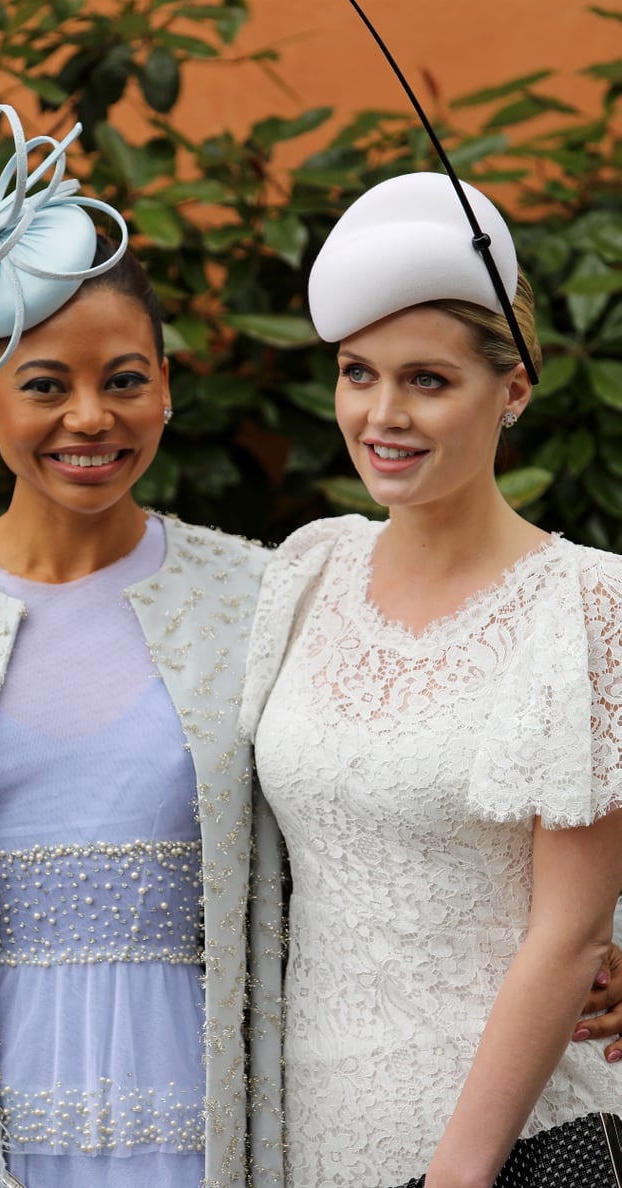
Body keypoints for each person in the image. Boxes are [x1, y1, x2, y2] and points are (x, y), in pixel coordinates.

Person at [0, 105, 284, 1188]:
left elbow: (370, 811)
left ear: (168, 389)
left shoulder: (265, 595)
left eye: (125, 379)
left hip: (210, 1113)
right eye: (47, 385)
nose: (91, 417)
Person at [240, 171, 622, 1188]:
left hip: (513, 1139)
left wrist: (458, 1178)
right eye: (358, 373)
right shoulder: (308, 568)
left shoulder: (584, 607)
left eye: (428, 379)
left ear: (516, 386)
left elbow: (573, 928)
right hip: (309, 1127)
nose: (382, 414)